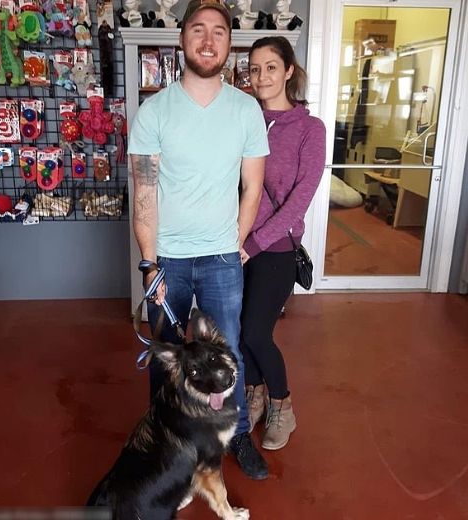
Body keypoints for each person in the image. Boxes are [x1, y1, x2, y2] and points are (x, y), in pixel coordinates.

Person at [129, 0, 270, 479]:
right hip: (166, 258)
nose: (208, 40)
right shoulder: (154, 111)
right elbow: (144, 192)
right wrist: (150, 265)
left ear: (229, 44)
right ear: (182, 38)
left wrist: (236, 240)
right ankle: (164, 439)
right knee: (166, 355)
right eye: (197, 30)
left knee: (228, 351)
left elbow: (252, 186)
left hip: (220, 260)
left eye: (218, 32)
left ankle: (239, 436)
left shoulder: (246, 110)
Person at [240, 36, 325, 450]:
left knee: (257, 332)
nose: (261, 76)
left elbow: (299, 201)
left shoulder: (311, 129)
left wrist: (254, 244)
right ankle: (253, 395)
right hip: (235, 243)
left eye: (270, 67)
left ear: (289, 71)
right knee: (238, 332)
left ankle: (282, 405)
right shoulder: (242, 117)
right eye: (254, 69)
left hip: (274, 250)